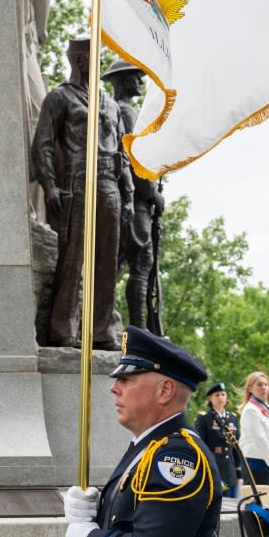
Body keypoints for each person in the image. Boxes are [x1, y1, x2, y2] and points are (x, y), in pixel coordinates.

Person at [61, 325, 221, 537]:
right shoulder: (150, 446)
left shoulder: (179, 455)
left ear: (164, 391)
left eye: (126, 379)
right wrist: (98, 508)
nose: (114, 388)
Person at [31, 37, 134, 349]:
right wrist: (50, 186)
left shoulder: (111, 104)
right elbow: (43, 145)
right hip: (77, 182)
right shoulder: (60, 97)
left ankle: (102, 331)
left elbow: (122, 151)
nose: (98, 66)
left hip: (109, 183)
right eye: (94, 59)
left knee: (107, 263)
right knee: (74, 257)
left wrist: (127, 192)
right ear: (78, 60)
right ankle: (63, 329)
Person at [103, 59, 164, 332]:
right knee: (141, 262)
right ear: (125, 81)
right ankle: (139, 331)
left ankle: (104, 321)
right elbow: (135, 159)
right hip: (134, 200)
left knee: (114, 263)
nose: (140, 83)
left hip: (118, 198)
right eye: (136, 78)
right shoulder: (127, 112)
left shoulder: (112, 109)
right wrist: (152, 195)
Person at [194, 381, 242, 498]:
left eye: (223, 394)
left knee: (231, 505)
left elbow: (236, 447)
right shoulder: (204, 418)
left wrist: (239, 472)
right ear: (210, 398)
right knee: (217, 504)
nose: (220, 397)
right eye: (217, 395)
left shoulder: (232, 418)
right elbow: (200, 445)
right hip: (214, 468)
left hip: (230, 471)